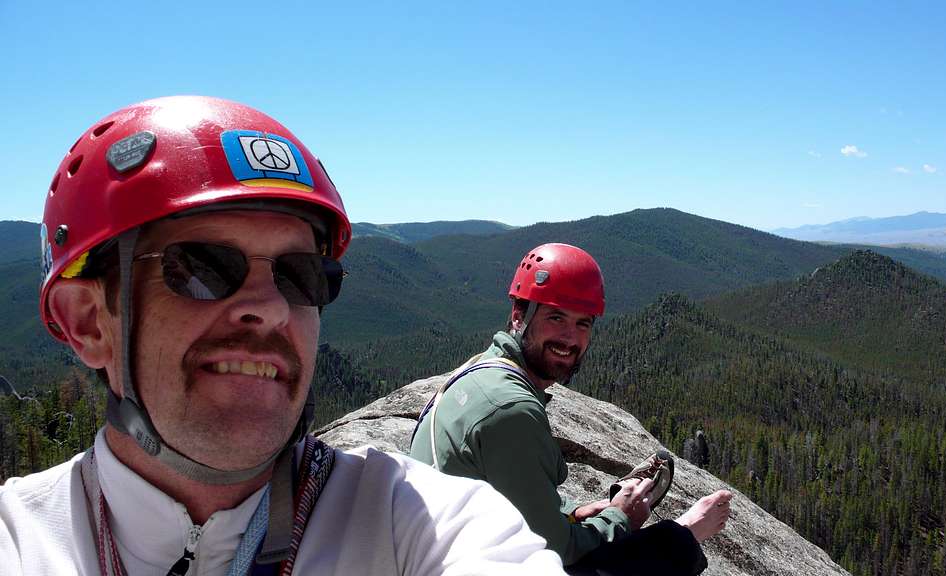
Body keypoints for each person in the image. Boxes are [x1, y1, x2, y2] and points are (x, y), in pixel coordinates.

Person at [0, 96, 565, 575]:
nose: (270, 307)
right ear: (87, 321)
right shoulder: (20, 542)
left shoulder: (416, 521)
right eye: (201, 268)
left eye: (302, 276)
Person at [409, 243, 732, 575]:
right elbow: (554, 550)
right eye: (555, 317)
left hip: (444, 553)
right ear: (519, 315)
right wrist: (621, 518)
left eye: (583, 324)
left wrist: (574, 514)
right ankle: (688, 531)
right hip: (467, 562)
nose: (569, 337)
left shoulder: (478, 370)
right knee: (665, 547)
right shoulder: (512, 409)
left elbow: (505, 493)